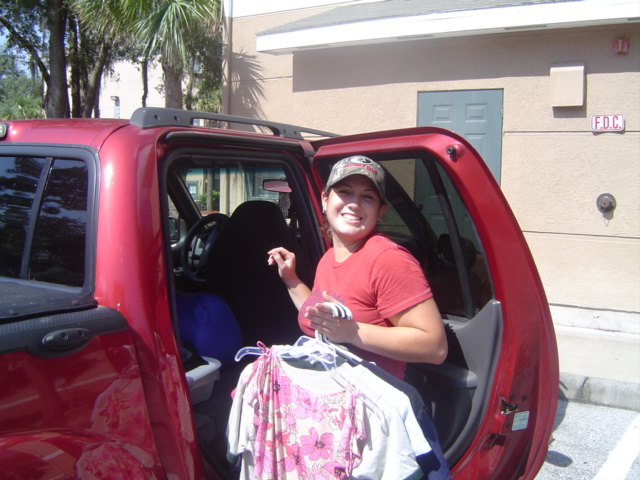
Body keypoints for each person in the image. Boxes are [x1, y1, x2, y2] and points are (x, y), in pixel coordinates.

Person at [268, 155, 447, 379]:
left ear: (380, 211)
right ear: (325, 200)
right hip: (328, 386)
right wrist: (291, 279)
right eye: (344, 192)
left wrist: (352, 332)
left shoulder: (388, 259)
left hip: (369, 396)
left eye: (367, 197)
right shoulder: (330, 257)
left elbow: (435, 348)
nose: (354, 204)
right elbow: (320, 317)